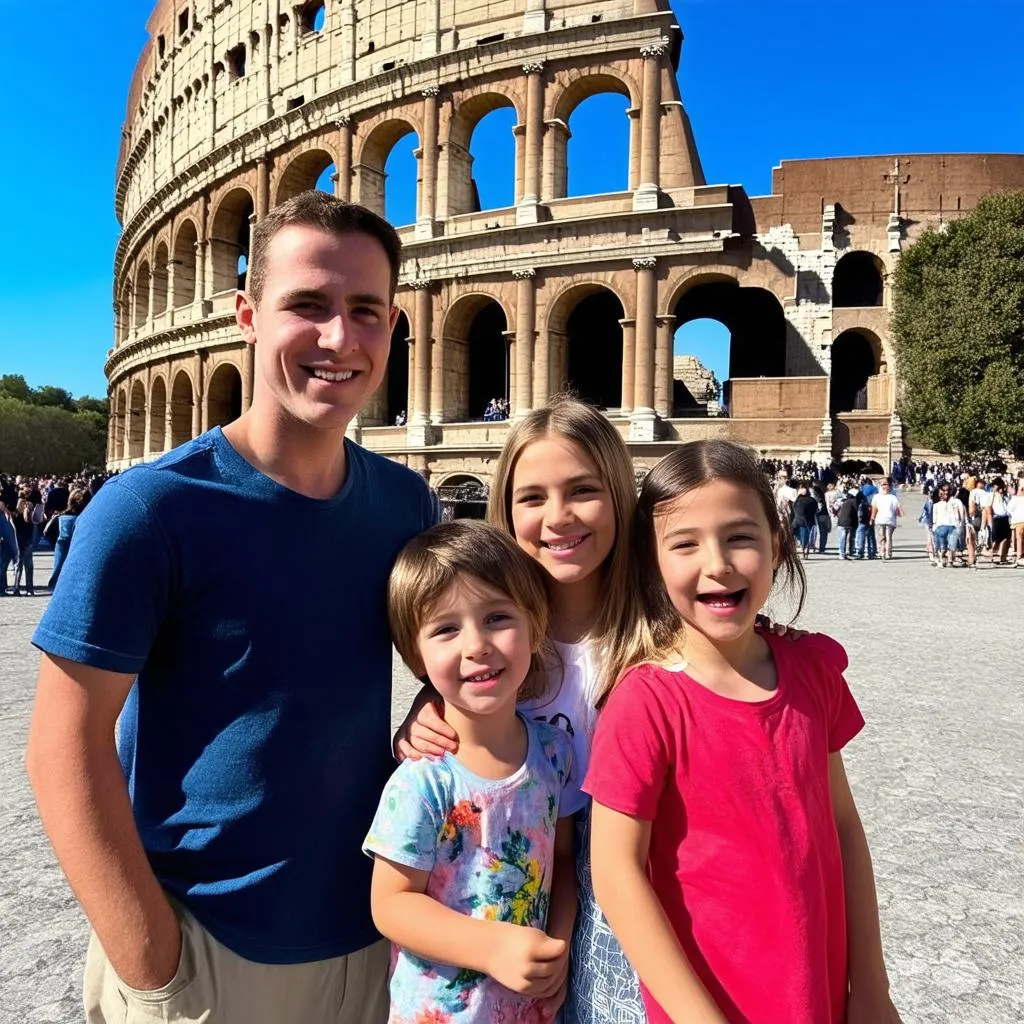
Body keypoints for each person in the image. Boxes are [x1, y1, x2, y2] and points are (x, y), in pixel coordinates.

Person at [26, 192, 436, 1024]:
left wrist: (432, 708)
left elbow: (459, 660)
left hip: (368, 937)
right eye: (307, 306)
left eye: (364, 311)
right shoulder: (151, 509)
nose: (338, 338)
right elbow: (61, 747)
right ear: (248, 316)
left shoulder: (406, 507)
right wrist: (151, 954)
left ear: (392, 327)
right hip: (207, 948)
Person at [585, 440, 901, 1024]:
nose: (718, 564)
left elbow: (844, 828)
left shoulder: (813, 672)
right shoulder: (646, 703)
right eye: (685, 544)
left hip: (820, 991)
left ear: (777, 544)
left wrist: (872, 989)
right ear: (650, 563)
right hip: (709, 1003)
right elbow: (615, 872)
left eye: (740, 537)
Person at [397, 397, 651, 1024]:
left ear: (620, 494)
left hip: (639, 911)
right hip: (517, 940)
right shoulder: (501, 655)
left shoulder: (662, 641)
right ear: (505, 513)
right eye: (532, 497)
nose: (558, 517)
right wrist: (424, 713)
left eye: (583, 490)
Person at [364, 520, 578, 1022]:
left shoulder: (554, 753)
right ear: (416, 657)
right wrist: (491, 948)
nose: (476, 645)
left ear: (535, 627)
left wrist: (559, 946)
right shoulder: (422, 781)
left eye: (498, 617)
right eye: (446, 629)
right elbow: (391, 905)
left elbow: (563, 859)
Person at [46, 488, 87, 589]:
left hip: (61, 542)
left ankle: (55, 583)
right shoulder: (83, 516)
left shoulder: (61, 516)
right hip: (77, 543)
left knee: (59, 565)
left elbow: (48, 532)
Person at [869, 477, 903, 560]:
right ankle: (888, 553)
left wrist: (871, 519)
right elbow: (898, 511)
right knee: (888, 537)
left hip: (880, 520)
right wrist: (898, 514)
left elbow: (874, 509)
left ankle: (882, 553)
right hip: (890, 520)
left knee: (882, 537)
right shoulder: (893, 497)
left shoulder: (876, 497)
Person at [13, 490, 38, 595]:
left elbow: (13, 521)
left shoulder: (17, 507)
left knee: (18, 564)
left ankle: (16, 588)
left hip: (18, 538)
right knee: (29, 565)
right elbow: (34, 521)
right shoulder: (31, 506)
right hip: (28, 538)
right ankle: (29, 588)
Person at [985, 478, 1013, 565]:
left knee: (1007, 538)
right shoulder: (991, 495)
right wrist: (990, 522)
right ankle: (992, 555)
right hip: (997, 518)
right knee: (996, 540)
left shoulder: (1005, 496)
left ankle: (1003, 557)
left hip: (1005, 518)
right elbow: (988, 508)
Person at [791, 482, 818, 559]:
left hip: (797, 521)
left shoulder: (797, 501)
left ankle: (803, 548)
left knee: (799, 535)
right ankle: (805, 550)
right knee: (806, 536)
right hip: (808, 521)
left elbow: (794, 510)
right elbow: (815, 510)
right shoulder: (812, 500)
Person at [0, 499, 19, 596]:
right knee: (2, 568)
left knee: (2, 568)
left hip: (5, 546)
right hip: (4, 546)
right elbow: (7, 534)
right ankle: (1, 589)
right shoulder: (2, 518)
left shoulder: (4, 517)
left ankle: (2, 588)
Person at [836, 486, 859, 560]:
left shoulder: (844, 501)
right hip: (849, 522)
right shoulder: (854, 501)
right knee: (848, 538)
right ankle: (849, 552)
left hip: (841, 521)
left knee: (842, 538)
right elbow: (856, 513)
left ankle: (842, 553)